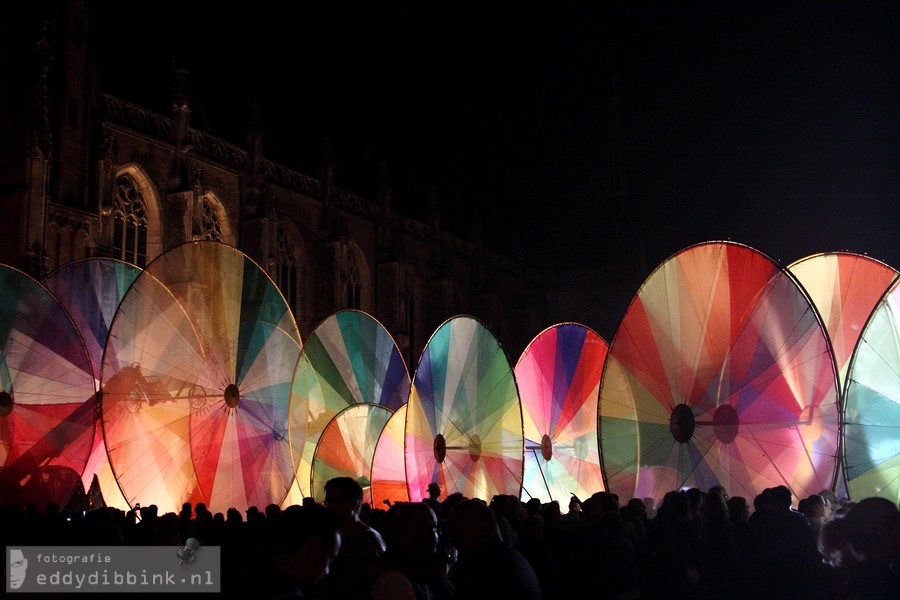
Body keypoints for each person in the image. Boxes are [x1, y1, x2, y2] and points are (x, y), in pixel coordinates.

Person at [445, 498, 543, 600]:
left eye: (458, 532)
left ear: (482, 526)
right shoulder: (513, 560)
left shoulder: (486, 571)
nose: (453, 541)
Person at [241, 503, 341, 599]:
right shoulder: (294, 593)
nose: (327, 571)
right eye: (329, 558)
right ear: (313, 548)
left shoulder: (250, 581)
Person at [319, 477, 386, 600]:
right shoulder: (331, 535)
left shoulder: (369, 540)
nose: (330, 507)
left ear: (353, 503)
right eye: (328, 502)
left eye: (336, 501)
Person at [369, 501, 453, 600]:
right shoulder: (395, 580)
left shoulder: (412, 567)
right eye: (433, 528)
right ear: (411, 531)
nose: (437, 535)